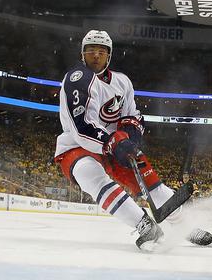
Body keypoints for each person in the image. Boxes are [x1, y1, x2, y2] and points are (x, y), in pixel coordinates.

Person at [53, 30, 193, 250]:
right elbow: (81, 127)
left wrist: (131, 138)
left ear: (109, 55)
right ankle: (144, 224)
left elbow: (131, 115)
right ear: (82, 54)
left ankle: (186, 225)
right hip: (77, 145)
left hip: (116, 144)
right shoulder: (76, 79)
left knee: (149, 180)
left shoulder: (122, 82)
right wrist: (114, 142)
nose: (96, 56)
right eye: (91, 51)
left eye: (101, 52)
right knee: (88, 173)